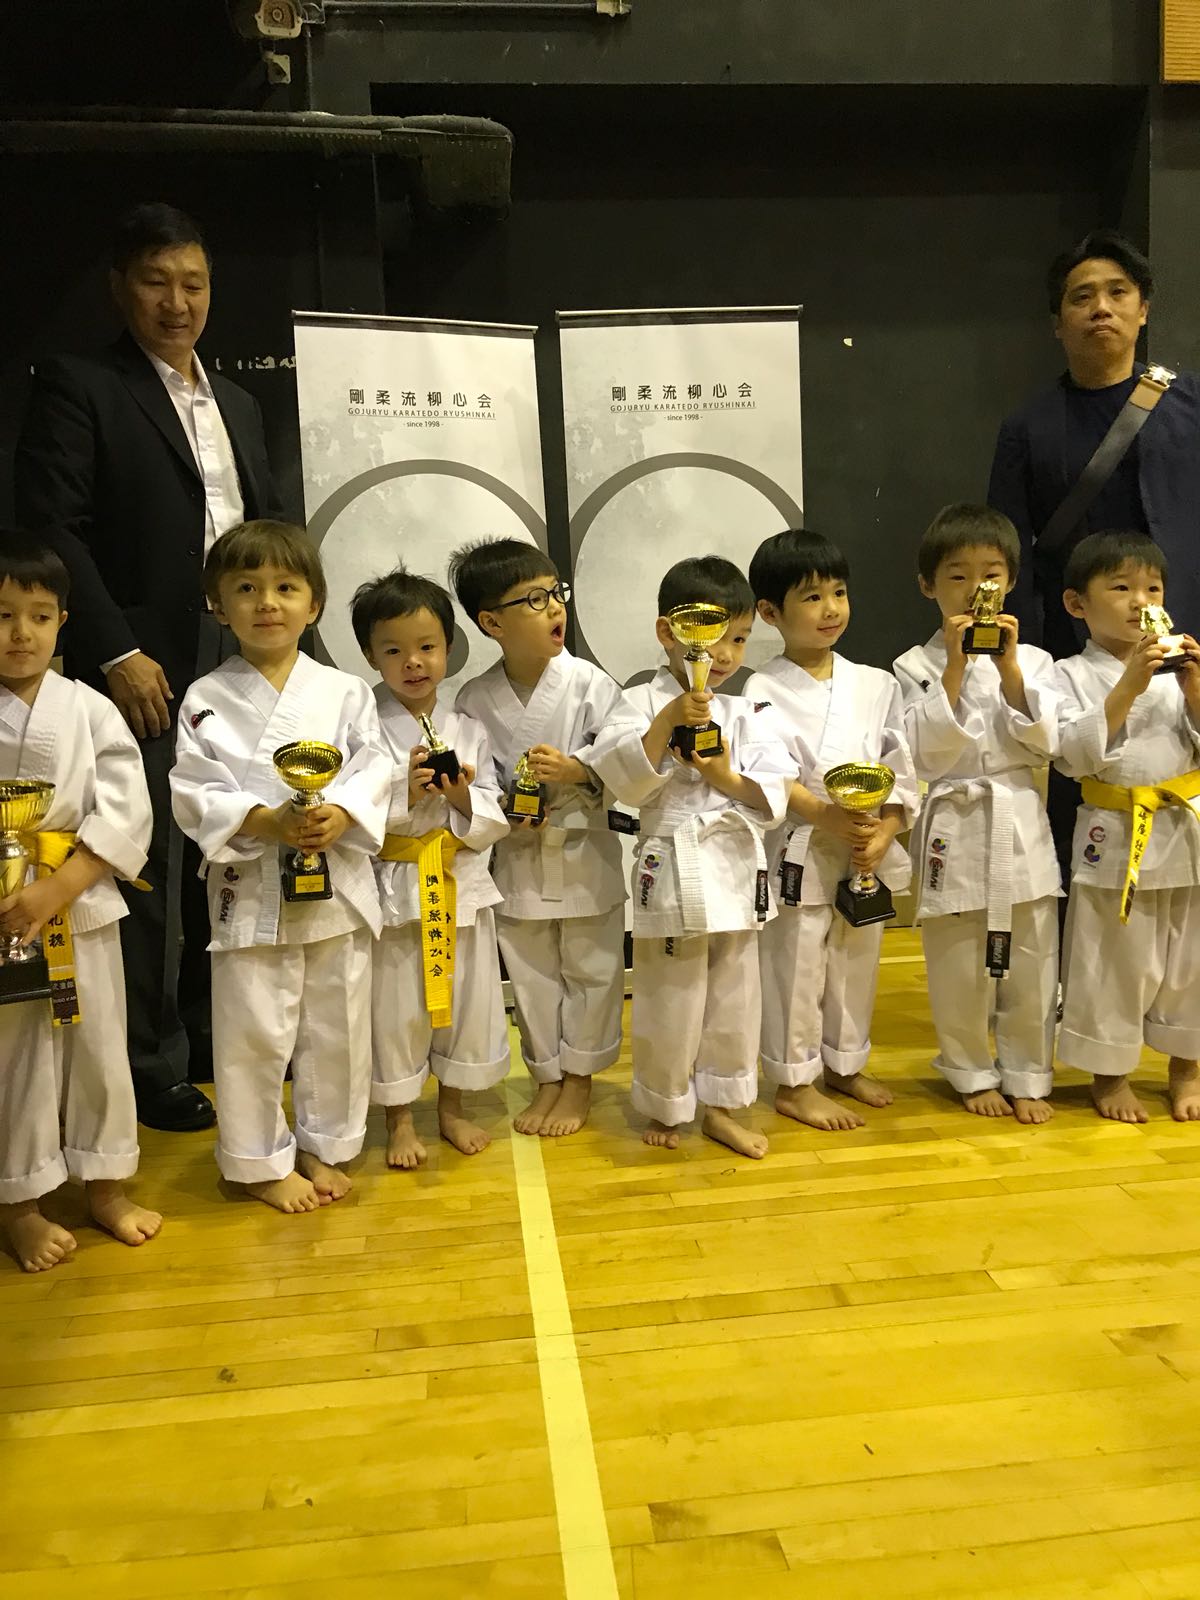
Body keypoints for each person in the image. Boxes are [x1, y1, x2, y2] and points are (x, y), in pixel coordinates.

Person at [14, 202, 280, 1132]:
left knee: (231, 840)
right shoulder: (81, 384)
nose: (178, 302)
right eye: (157, 282)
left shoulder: (238, 402)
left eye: (194, 284)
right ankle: (151, 1059)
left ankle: (211, 1031)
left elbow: (263, 525)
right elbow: (53, 527)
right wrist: (117, 650)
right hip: (142, 655)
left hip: (240, 648)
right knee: (151, 858)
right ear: (120, 288)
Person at [170, 521, 390, 1212]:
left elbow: (375, 766)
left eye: (286, 588)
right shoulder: (205, 697)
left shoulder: (346, 691)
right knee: (253, 1030)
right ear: (218, 604)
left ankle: (327, 1145)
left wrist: (342, 812)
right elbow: (194, 789)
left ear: (313, 604)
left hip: (334, 881)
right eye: (247, 588)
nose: (267, 603)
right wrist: (268, 821)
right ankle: (257, 1160)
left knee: (337, 1025)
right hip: (252, 882)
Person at [987, 229, 1200, 903]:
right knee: (1078, 809)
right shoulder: (1028, 427)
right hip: (1075, 650)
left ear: (1143, 309)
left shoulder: (1192, 407)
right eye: (1082, 297)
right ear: (1058, 322)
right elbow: (1009, 550)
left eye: (1117, 293)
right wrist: (1023, 658)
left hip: (1189, 639)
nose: (1101, 308)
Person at [591, 556, 790, 1157]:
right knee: (669, 994)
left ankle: (724, 1107)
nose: (725, 654)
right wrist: (667, 721)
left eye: (739, 639)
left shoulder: (747, 710)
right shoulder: (637, 701)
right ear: (668, 632)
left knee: (736, 995)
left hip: (734, 864)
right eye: (712, 637)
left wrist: (723, 775)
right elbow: (623, 781)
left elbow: (773, 794)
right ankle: (666, 1101)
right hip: (672, 864)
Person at [0, 533, 160, 1273]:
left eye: (38, 616)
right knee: (15, 1055)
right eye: (3, 616)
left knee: (97, 1046)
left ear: (63, 621)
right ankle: (19, 1204)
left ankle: (105, 1185)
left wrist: (59, 885)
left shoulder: (89, 708)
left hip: (80, 899)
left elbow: (127, 809)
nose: (21, 633)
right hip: (5, 912)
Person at [451, 538, 630, 1138]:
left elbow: (627, 758)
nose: (555, 608)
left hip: (583, 851)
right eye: (534, 599)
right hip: (518, 854)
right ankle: (547, 1076)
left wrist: (578, 769)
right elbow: (476, 778)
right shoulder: (474, 698)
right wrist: (503, 806)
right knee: (530, 974)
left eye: (556, 593)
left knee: (592, 970)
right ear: (491, 623)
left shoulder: (591, 684)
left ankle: (578, 1080)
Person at [745, 529, 919, 1132]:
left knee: (856, 959)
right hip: (804, 842)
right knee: (796, 964)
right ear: (770, 612)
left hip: (863, 843)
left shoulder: (876, 683)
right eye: (812, 597)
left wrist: (887, 828)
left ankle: (845, 1064)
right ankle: (795, 1081)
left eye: (839, 593)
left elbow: (899, 766)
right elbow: (769, 773)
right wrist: (827, 816)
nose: (831, 609)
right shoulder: (761, 688)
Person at [893, 504, 1061, 1123]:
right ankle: (968, 1069)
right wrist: (956, 665)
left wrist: (1008, 666)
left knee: (1033, 960)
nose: (975, 589)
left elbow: (1048, 744)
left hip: (1018, 815)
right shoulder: (912, 666)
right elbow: (921, 753)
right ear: (928, 586)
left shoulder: (1036, 661)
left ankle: (1029, 1072)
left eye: (990, 574)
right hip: (955, 820)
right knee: (959, 963)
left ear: (1010, 581)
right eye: (957, 576)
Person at [351, 566, 510, 1167]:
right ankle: (398, 1119)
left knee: (465, 998)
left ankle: (452, 1107)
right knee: (396, 1008)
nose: (413, 662)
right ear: (371, 655)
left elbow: (491, 809)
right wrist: (406, 793)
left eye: (426, 647)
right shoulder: (361, 727)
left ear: (448, 648)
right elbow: (352, 807)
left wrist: (462, 794)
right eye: (393, 650)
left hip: (457, 879)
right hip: (396, 885)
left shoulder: (468, 728)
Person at [1053, 531, 1200, 1124]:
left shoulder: (1179, 666)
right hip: (1115, 832)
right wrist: (1130, 684)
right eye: (1121, 588)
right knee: (1112, 958)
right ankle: (1110, 1074)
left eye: (1153, 589)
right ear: (1076, 604)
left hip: (1186, 827)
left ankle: (1187, 1068)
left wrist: (1194, 690)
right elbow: (1072, 756)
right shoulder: (1067, 673)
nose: (1141, 601)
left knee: (1192, 958)